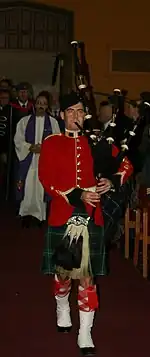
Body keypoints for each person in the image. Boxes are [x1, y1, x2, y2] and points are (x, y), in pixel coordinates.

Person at [38, 91, 133, 355]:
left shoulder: (98, 142)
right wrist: (75, 194)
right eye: (70, 111)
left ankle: (85, 333)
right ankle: (61, 305)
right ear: (61, 115)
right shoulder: (51, 142)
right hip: (62, 214)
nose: (76, 116)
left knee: (87, 277)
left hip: (93, 216)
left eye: (80, 111)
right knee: (63, 274)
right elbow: (46, 177)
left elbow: (125, 165)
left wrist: (112, 180)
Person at [14, 93, 60, 228]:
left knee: (40, 187)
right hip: (28, 160)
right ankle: (25, 214)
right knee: (28, 186)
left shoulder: (53, 122)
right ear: (35, 104)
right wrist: (30, 147)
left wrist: (44, 148)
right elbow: (18, 139)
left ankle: (40, 215)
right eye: (39, 103)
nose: (41, 105)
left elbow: (57, 141)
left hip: (44, 160)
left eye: (44, 103)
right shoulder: (25, 121)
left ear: (47, 106)